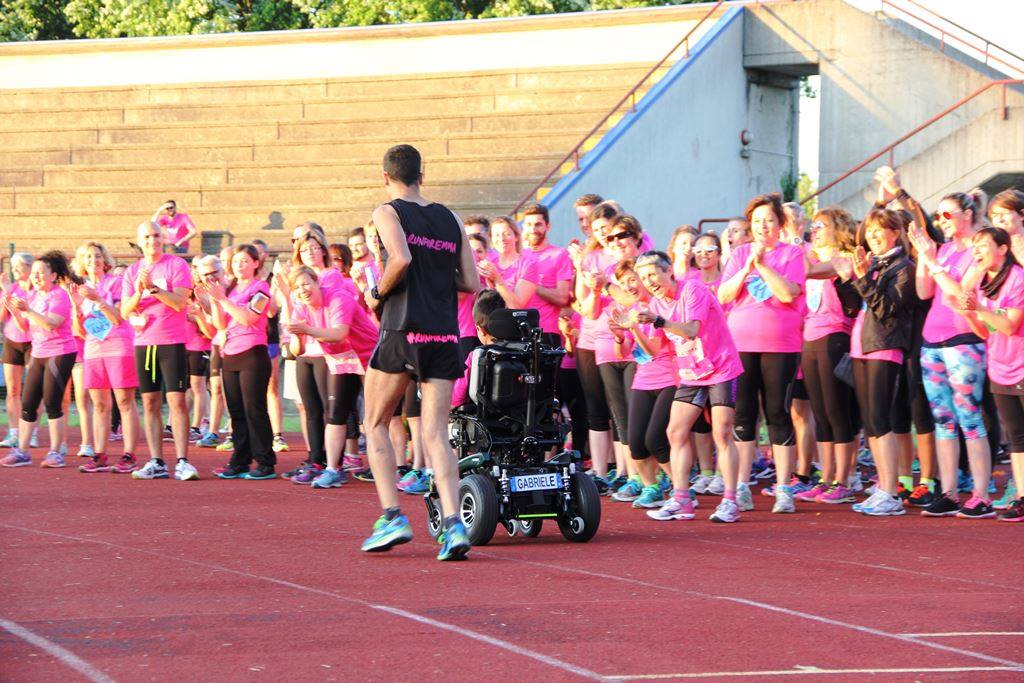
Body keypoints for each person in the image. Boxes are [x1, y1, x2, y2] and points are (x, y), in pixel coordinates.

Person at [359, 144, 480, 561]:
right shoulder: (450, 218)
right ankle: (453, 526)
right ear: (421, 176)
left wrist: (376, 294)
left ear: (385, 176)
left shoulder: (387, 211)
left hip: (402, 327)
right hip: (443, 333)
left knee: (374, 421)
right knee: (435, 434)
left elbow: (400, 258)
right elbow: (471, 281)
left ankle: (392, 515)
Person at [633, 251, 745, 522]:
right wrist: (631, 329)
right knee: (675, 431)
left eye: (652, 274)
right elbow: (658, 348)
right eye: (644, 277)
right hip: (691, 372)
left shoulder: (692, 288)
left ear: (668, 270)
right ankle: (682, 498)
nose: (649, 281)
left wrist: (659, 322)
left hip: (720, 366)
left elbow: (692, 330)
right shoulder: (656, 303)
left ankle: (731, 500)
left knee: (722, 433)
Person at [719, 193, 806, 513]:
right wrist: (746, 268)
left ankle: (784, 488)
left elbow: (787, 293)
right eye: (756, 222)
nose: (762, 227)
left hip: (780, 345)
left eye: (769, 220)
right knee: (742, 415)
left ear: (780, 224)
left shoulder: (792, 254)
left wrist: (763, 265)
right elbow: (724, 294)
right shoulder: (739, 254)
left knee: (778, 413)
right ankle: (741, 484)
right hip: (741, 344)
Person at [910, 191, 995, 518]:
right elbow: (923, 292)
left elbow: (961, 295)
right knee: (943, 420)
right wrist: (924, 257)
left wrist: (933, 264)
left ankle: (981, 494)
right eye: (938, 215)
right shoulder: (941, 251)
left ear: (967, 215)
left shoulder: (978, 250)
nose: (940, 221)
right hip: (933, 341)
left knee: (969, 417)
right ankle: (948, 492)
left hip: (965, 340)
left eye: (948, 215)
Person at [834, 210, 915, 516]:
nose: (873, 236)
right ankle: (883, 486)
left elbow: (886, 309)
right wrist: (848, 279)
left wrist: (863, 277)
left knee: (882, 420)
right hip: (861, 347)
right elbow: (855, 305)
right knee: (871, 423)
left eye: (880, 231)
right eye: (870, 232)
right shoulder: (874, 265)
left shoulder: (903, 267)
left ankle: (891, 492)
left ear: (895, 232)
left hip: (884, 347)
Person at [954, 227, 1024, 521]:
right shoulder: (985, 284)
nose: (978, 251)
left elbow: (1009, 325)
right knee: (1019, 438)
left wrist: (979, 307)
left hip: (1021, 363)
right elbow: (985, 331)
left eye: (984, 245)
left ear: (1003, 248)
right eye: (975, 247)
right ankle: (1022, 497)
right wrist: (971, 312)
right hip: (1000, 365)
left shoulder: (1018, 278)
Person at [121, 221, 199, 481]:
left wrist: (154, 289)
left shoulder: (176, 265)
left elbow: (179, 302)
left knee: (177, 400)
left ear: (163, 238)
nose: (152, 240)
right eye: (147, 236)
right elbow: (124, 311)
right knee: (150, 402)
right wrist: (140, 292)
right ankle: (156, 461)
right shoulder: (132, 272)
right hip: (144, 343)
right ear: (139, 241)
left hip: (172, 341)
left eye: (156, 235)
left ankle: (182, 461)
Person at [798, 208, 861, 503]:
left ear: (837, 228)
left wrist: (794, 248)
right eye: (813, 226)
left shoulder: (843, 258)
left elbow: (808, 270)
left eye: (821, 225)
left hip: (835, 334)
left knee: (837, 410)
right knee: (821, 413)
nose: (815, 230)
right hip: (809, 336)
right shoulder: (811, 255)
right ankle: (826, 477)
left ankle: (844, 480)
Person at [203, 245, 276, 480]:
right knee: (236, 412)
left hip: (253, 353)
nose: (239, 265)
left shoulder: (261, 288)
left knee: (254, 409)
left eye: (245, 261)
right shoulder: (231, 289)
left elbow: (247, 318)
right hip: (230, 353)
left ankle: (265, 462)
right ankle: (240, 459)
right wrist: (215, 300)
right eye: (236, 262)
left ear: (256, 263)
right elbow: (220, 325)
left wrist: (222, 299)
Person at [0, 252, 80, 468]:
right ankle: (22, 452)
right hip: (38, 351)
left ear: (53, 275)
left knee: (53, 402)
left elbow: (50, 324)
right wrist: (15, 312)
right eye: (33, 273)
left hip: (60, 352)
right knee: (27, 403)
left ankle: (56, 452)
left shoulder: (59, 296)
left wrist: (28, 310)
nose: (35, 277)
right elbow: (25, 328)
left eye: (40, 273)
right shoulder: (33, 296)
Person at [73, 242, 141, 474]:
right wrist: (75, 307)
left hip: (119, 345)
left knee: (124, 402)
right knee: (100, 404)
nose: (95, 260)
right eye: (89, 256)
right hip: (93, 349)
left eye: (98, 255)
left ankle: (129, 455)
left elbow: (119, 318)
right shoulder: (80, 290)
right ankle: (99, 454)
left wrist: (98, 298)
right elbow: (80, 331)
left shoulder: (116, 283)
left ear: (106, 259)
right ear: (82, 262)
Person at [520, 204, 573, 347]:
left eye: (538, 224)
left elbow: (562, 298)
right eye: (529, 224)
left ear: (547, 226)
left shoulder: (560, 255)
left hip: (547, 331)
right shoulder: (518, 255)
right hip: (518, 330)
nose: (533, 229)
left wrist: (531, 285)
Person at [0, 253, 34, 448]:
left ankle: (32, 431)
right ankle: (14, 432)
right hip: (12, 341)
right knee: (13, 389)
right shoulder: (9, 289)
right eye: (13, 267)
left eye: (18, 266)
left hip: (33, 341)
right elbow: (1, 316)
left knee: (32, 390)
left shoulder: (36, 291)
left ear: (30, 267)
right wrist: (6, 294)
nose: (14, 270)